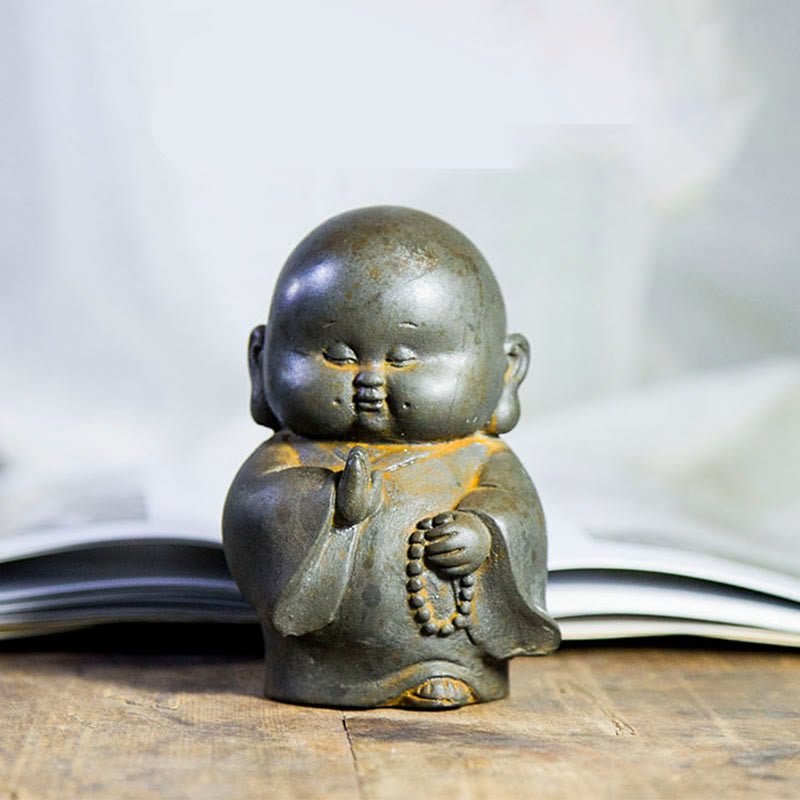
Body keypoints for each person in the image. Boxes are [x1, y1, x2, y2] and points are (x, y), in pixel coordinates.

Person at [223, 206, 559, 709]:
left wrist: (482, 534)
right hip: (313, 661)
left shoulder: (481, 457)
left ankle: (443, 667)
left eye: (403, 359)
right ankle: (322, 672)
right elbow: (252, 513)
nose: (370, 380)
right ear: (261, 360)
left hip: (447, 649)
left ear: (506, 370)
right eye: (338, 357)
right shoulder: (288, 454)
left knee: (450, 653)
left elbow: (516, 511)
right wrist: (327, 502)